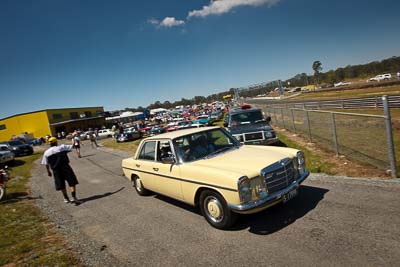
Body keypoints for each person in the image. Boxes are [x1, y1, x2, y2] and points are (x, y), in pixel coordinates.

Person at [41, 137, 82, 205]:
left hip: (56, 170)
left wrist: (48, 171)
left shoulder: (46, 152)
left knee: (61, 184)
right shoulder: (62, 147)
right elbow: (73, 146)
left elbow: (46, 163)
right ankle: (74, 197)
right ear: (56, 142)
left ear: (49, 144)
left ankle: (66, 198)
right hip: (65, 167)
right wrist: (73, 138)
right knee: (72, 182)